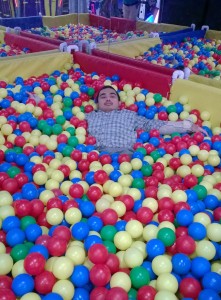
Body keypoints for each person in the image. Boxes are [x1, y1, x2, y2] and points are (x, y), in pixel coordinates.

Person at [85, 85, 207, 155]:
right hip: (97, 155)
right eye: (103, 96)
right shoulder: (89, 116)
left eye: (112, 96)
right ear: (97, 104)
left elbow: (152, 125)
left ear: (119, 103)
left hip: (126, 155)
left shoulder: (128, 115)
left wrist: (187, 126)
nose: (107, 99)